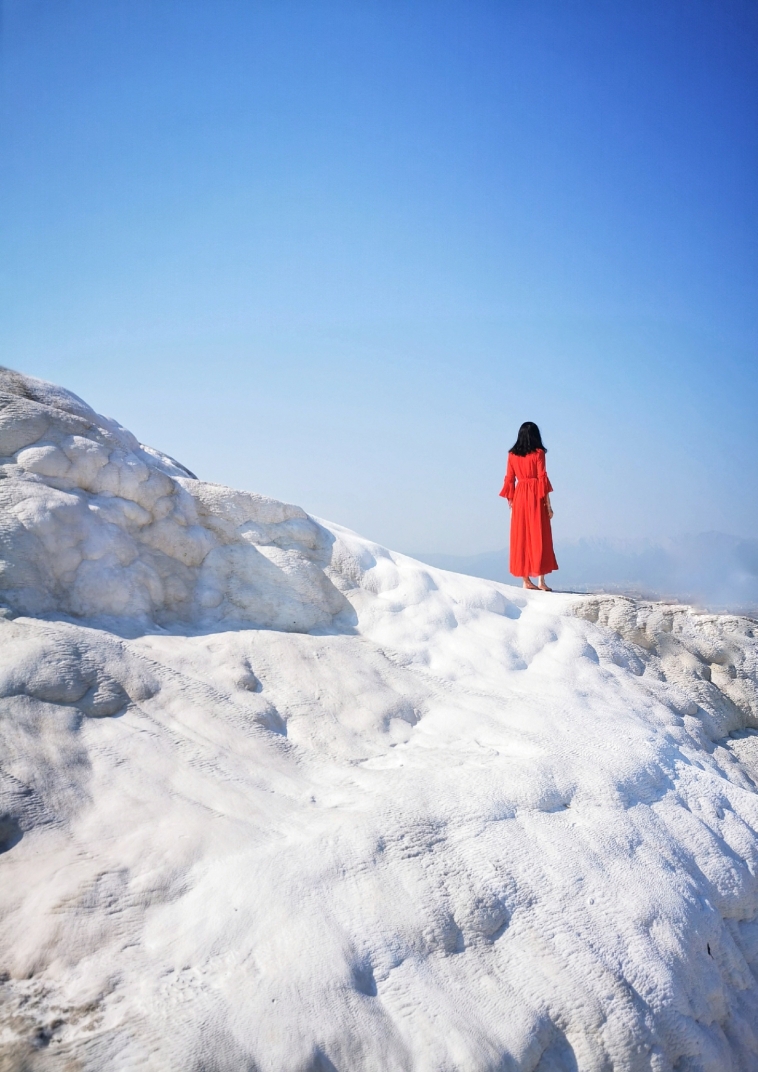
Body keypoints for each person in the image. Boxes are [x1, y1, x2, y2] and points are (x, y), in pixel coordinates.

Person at [499, 421, 558, 591]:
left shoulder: (512, 455)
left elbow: (509, 479)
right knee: (539, 536)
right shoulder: (539, 453)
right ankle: (541, 581)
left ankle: (525, 580)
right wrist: (548, 505)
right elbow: (542, 478)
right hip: (535, 496)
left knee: (522, 537)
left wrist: (511, 504)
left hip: (519, 498)